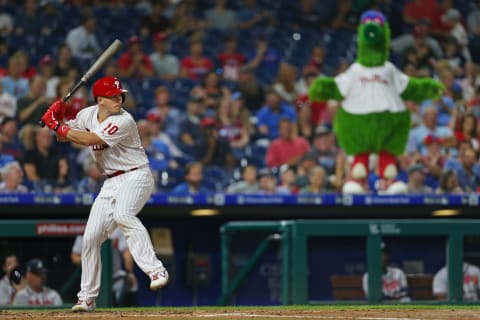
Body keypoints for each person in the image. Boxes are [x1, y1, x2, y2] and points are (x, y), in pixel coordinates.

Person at [39, 76, 169, 312]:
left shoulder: (124, 120)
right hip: (111, 181)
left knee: (123, 214)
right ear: (100, 100)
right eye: (113, 96)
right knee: (90, 238)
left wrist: (57, 124)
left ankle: (155, 269)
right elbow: (63, 136)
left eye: (120, 95)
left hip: (136, 174)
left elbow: (91, 139)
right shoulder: (88, 115)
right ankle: (87, 298)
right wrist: (55, 121)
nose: (119, 99)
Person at [71, 228, 138, 307]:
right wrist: (89, 260)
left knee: (125, 293)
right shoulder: (85, 229)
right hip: (92, 279)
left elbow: (127, 254)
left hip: (115, 278)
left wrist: (129, 273)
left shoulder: (116, 229)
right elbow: (75, 256)